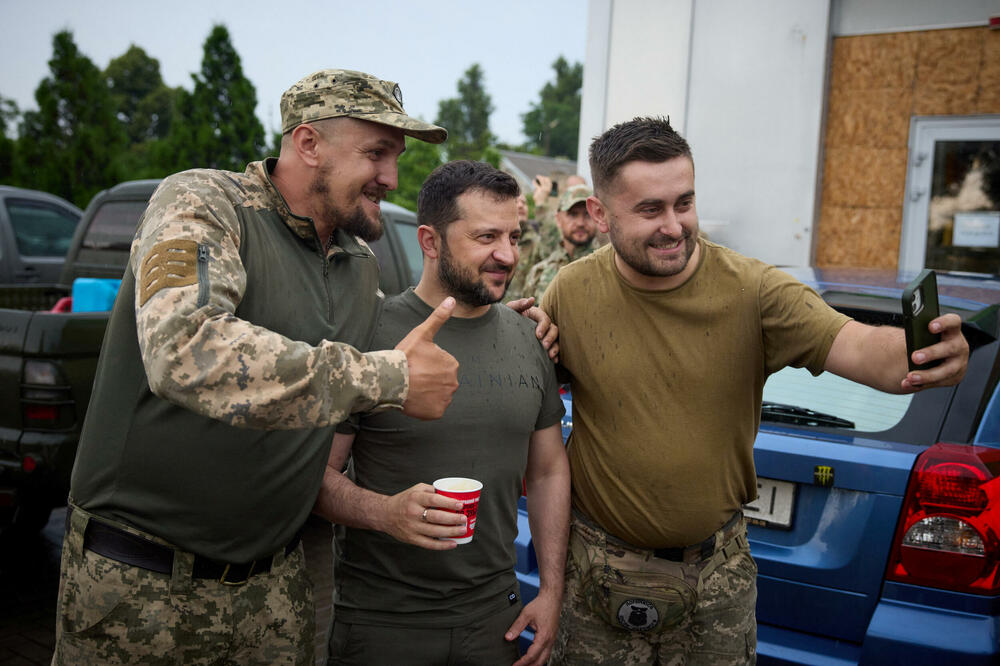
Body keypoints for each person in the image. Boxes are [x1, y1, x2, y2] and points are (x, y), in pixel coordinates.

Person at [52, 68, 470, 665]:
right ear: (308, 143)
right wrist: (389, 379)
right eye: (376, 153)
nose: (392, 178)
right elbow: (184, 349)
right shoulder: (206, 202)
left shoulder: (357, 263)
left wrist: (503, 322)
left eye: (396, 158)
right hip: (143, 587)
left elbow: (398, 337)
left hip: (275, 592)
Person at [541, 116, 970, 664]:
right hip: (596, 576)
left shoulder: (754, 290)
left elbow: (861, 347)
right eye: (649, 210)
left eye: (684, 203)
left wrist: (924, 351)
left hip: (715, 583)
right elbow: (530, 401)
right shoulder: (571, 291)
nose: (673, 226)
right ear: (600, 214)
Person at [313, 161, 571, 666]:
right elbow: (315, 476)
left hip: (496, 619)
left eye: (514, 237)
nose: (507, 254)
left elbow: (547, 472)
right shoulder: (370, 335)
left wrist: (550, 591)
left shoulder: (531, 338)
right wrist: (384, 513)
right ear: (430, 242)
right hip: (383, 623)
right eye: (486, 237)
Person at [522, 184, 598, 302]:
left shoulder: (609, 269)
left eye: (587, 214)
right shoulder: (540, 273)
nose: (580, 223)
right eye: (573, 214)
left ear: (598, 218)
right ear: (558, 219)